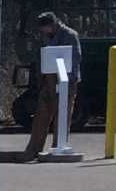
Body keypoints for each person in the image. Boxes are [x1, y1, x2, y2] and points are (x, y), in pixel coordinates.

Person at [23, 10, 82, 157]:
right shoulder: (44, 37)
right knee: (41, 113)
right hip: (47, 79)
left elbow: (75, 60)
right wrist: (40, 80)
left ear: (53, 24)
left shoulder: (70, 35)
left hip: (65, 80)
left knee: (62, 115)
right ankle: (34, 149)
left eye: (45, 27)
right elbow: (41, 57)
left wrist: (68, 82)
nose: (43, 30)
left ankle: (58, 146)